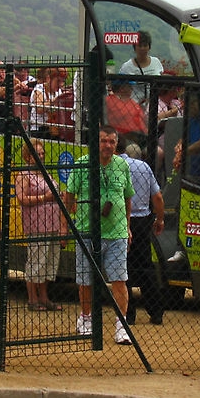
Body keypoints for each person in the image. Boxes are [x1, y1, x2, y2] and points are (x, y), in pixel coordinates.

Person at [64, 125, 135, 345]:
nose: (107, 146)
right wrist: (71, 220)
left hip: (116, 233)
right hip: (87, 231)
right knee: (85, 280)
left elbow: (127, 198)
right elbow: (69, 195)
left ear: (116, 144)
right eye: (104, 141)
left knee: (119, 279)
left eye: (112, 142)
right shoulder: (82, 164)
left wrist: (128, 226)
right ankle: (86, 319)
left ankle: (121, 325)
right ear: (96, 142)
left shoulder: (122, 165)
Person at [118, 142, 166, 325]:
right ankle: (156, 312)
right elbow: (158, 197)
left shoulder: (116, 165)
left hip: (122, 219)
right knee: (146, 266)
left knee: (124, 268)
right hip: (143, 221)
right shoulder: (144, 167)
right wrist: (160, 219)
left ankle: (128, 314)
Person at [15, 140, 64, 311]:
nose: (41, 156)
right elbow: (21, 198)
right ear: (28, 157)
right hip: (36, 224)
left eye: (42, 153)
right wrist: (44, 198)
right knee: (35, 261)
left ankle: (44, 297)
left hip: (53, 224)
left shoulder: (47, 175)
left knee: (49, 261)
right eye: (38, 153)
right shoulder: (24, 175)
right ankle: (32, 299)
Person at [119, 31, 163, 105]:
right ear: (135, 47)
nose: (142, 48)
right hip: (133, 106)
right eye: (139, 45)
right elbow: (120, 86)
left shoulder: (156, 62)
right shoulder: (127, 66)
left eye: (145, 45)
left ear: (149, 47)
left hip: (153, 105)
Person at [105, 80, 148, 148]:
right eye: (129, 86)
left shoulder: (132, 102)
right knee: (134, 149)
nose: (132, 89)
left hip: (140, 136)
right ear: (122, 88)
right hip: (121, 137)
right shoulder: (109, 101)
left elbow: (142, 120)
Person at [29, 67, 66, 139]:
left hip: (54, 127)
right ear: (49, 78)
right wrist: (54, 101)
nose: (61, 84)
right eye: (58, 81)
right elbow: (39, 109)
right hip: (39, 129)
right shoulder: (39, 89)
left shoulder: (58, 91)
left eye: (63, 81)